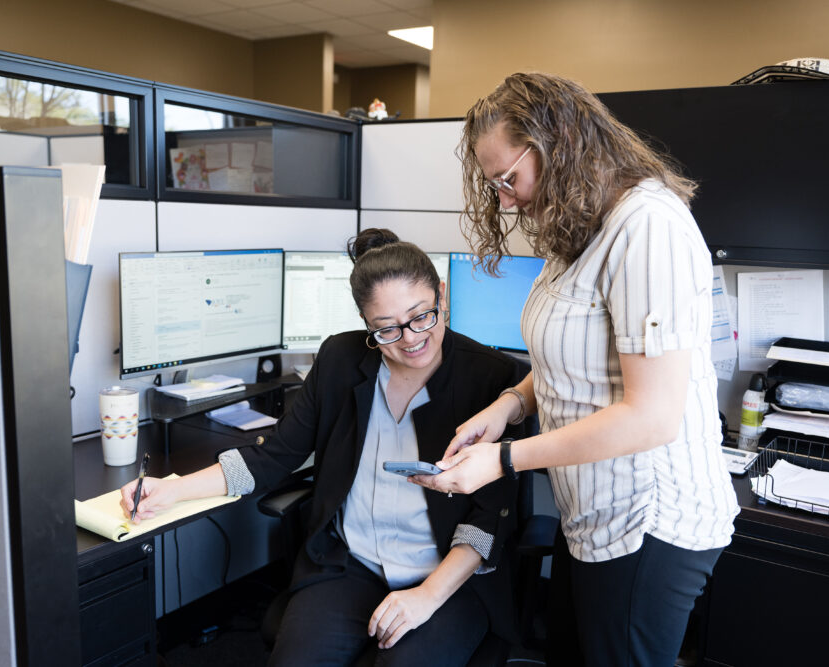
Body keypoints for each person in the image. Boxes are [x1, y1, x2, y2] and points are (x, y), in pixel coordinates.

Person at [413, 72, 740, 666]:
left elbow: (651, 418)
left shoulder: (648, 226)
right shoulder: (579, 222)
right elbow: (572, 355)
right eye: (494, 185)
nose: (505, 200)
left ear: (558, 143)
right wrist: (508, 406)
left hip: (647, 517)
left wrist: (504, 459)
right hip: (590, 507)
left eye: (508, 178)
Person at [120, 228, 522, 666]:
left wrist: (425, 597)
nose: (409, 338)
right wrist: (171, 490)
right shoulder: (339, 360)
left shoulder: (491, 378)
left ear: (441, 295)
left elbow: (488, 521)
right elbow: (272, 456)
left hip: (446, 579)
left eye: (421, 316)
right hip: (350, 566)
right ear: (367, 326)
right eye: (386, 329)